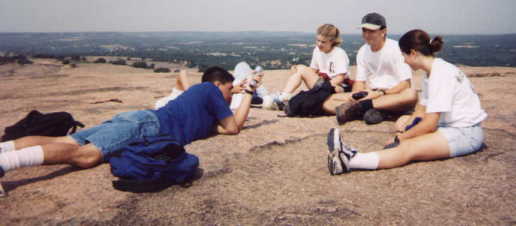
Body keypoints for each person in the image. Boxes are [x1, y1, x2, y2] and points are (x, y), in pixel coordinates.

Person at [0, 66, 257, 178]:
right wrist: (248, 91)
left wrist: (237, 91)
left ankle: (5, 149)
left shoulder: (200, 104)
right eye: (228, 89)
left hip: (137, 120)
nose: (229, 95)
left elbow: (224, 128)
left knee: (62, 141)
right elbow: (234, 127)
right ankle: (4, 163)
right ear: (217, 84)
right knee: (85, 155)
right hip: (145, 127)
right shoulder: (209, 90)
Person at [326, 29, 487, 175]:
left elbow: (430, 123)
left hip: (464, 133)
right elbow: (420, 111)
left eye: (404, 56)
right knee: (403, 123)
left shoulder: (440, 74)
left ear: (413, 53)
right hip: (448, 127)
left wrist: (401, 139)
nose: (404, 61)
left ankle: (349, 160)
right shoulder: (430, 73)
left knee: (408, 148)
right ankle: (356, 157)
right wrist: (405, 130)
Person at [327, 12, 418, 124]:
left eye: (371, 31)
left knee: (411, 94)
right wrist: (356, 95)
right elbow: (360, 81)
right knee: (329, 100)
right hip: (370, 94)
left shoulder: (396, 49)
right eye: (364, 30)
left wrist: (382, 93)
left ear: (383, 31)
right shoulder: (362, 51)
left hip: (391, 94)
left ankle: (370, 109)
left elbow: (405, 84)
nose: (367, 34)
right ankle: (370, 109)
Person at [264, 24, 351, 112]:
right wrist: (297, 69)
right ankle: (284, 96)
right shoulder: (317, 50)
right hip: (322, 84)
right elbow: (313, 70)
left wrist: (325, 87)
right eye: (318, 40)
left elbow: (340, 77)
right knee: (300, 68)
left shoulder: (339, 53)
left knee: (302, 69)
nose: (319, 44)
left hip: (336, 87)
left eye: (323, 42)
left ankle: (282, 98)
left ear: (332, 41)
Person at [154, 62, 266, 110]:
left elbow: (182, 73)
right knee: (242, 66)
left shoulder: (182, 97)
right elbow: (182, 73)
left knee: (242, 66)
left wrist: (231, 90)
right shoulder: (173, 101)